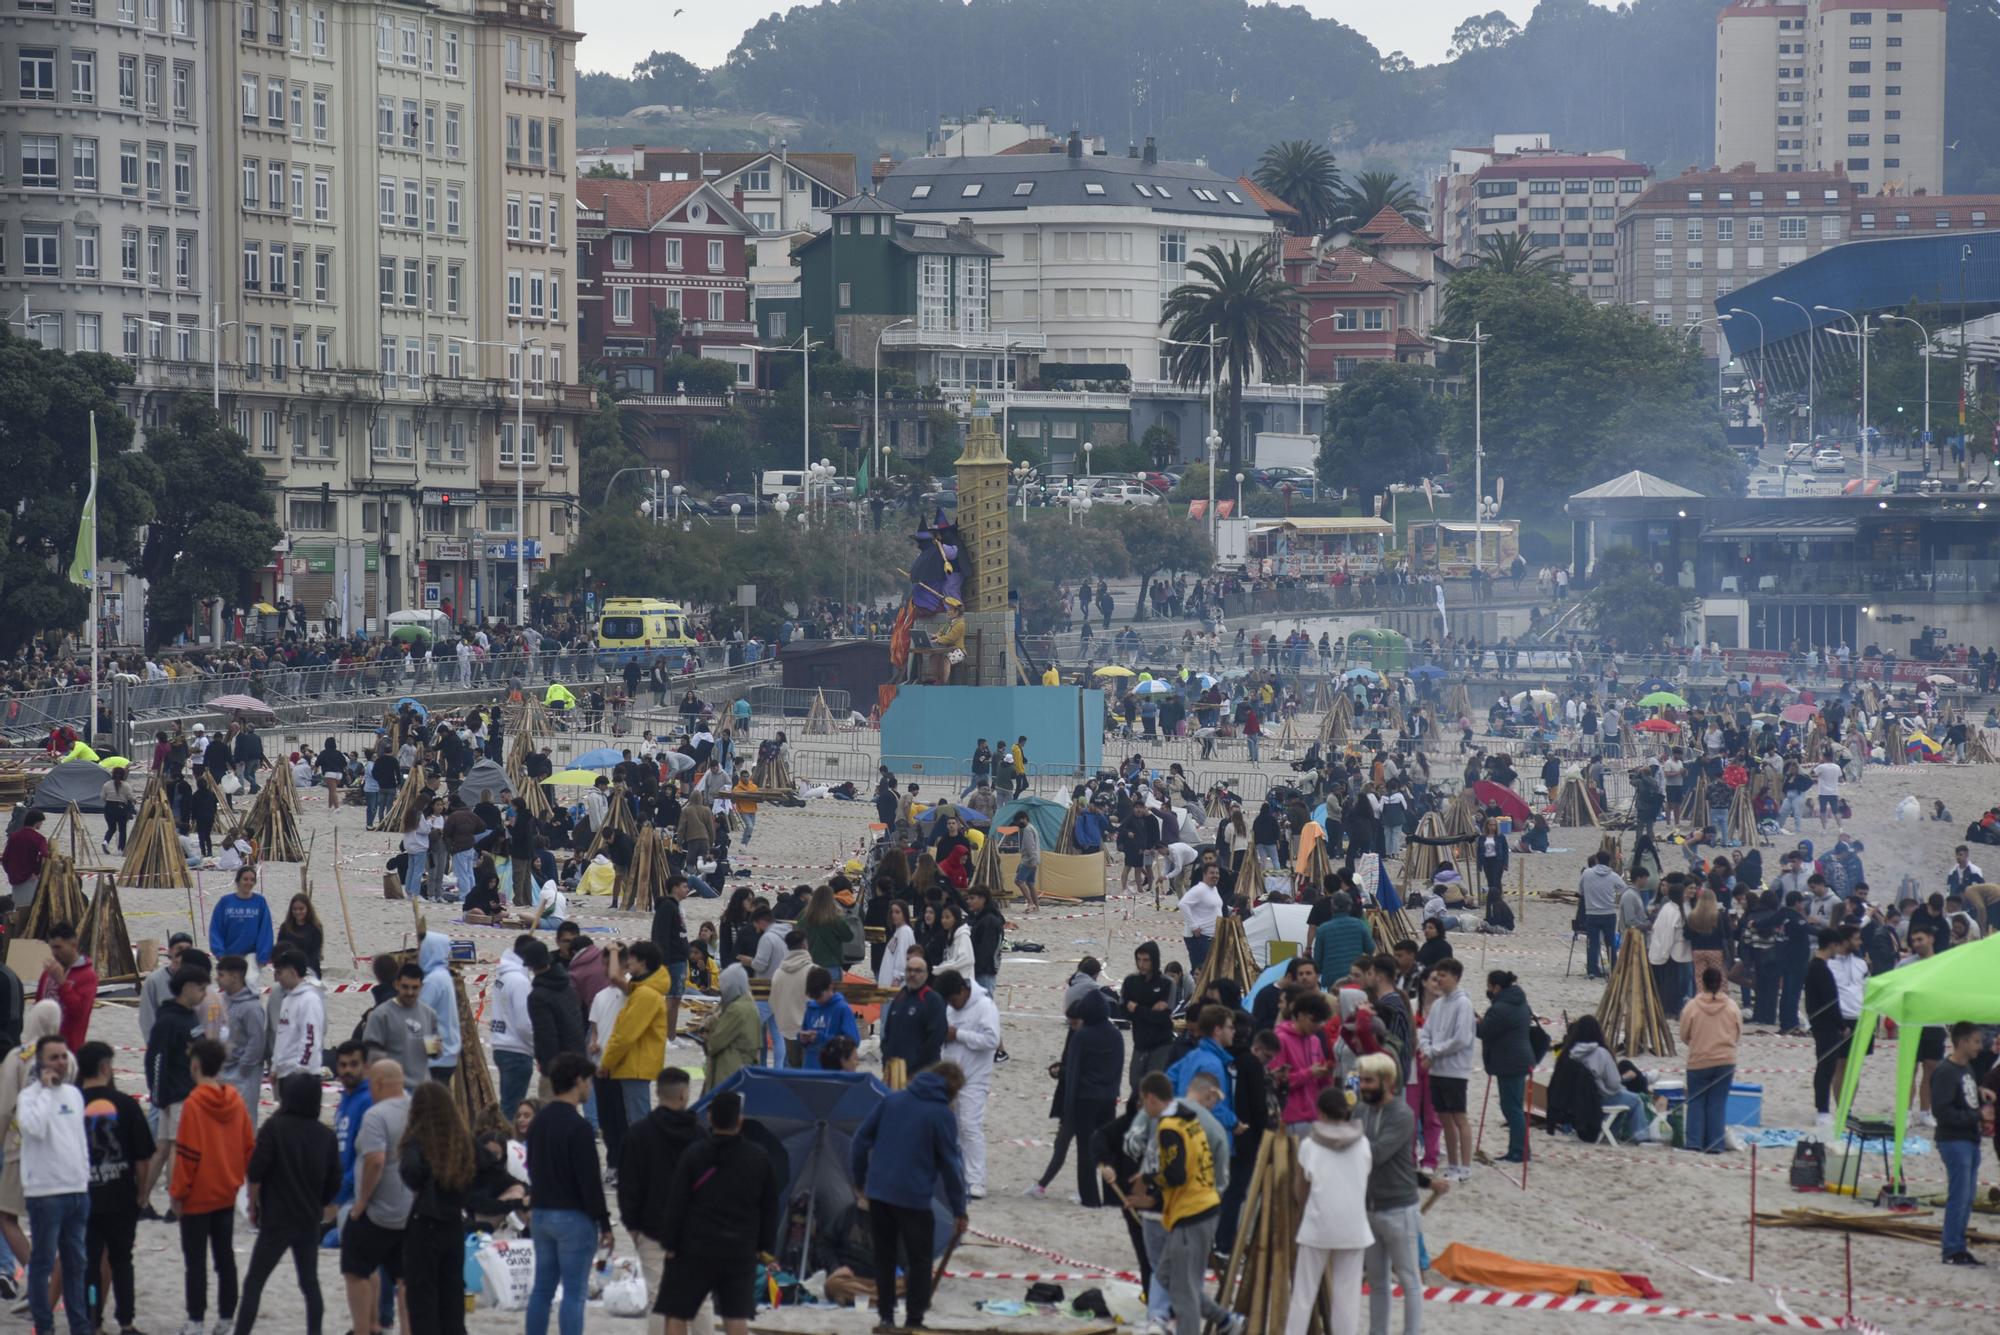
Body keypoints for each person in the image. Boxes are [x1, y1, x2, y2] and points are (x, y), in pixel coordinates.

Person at [850, 1061, 970, 1335]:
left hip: (879, 1193)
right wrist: (959, 1209)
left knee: (884, 1257)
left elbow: (860, 1140)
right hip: (913, 1198)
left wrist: (860, 1180)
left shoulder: (893, 1100)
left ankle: (886, 1318)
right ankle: (914, 1319)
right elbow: (951, 1166)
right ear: (952, 1089)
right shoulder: (941, 1114)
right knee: (919, 1260)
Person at [656, 1088, 782, 1335]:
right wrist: (764, 1247)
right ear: (740, 1120)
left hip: (695, 1246)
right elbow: (770, 1206)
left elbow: (677, 1202)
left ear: (711, 1119)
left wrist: (670, 1242)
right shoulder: (758, 1158)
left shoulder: (695, 1154)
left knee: (677, 1312)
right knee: (735, 1316)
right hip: (739, 1247)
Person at [1131, 1069, 1243, 1335]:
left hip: (1193, 1213)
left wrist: (1147, 1181)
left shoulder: (1169, 1127)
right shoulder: (1188, 1119)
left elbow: (1175, 1174)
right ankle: (1227, 1321)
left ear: (1150, 1099)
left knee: (1184, 1296)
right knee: (1167, 1277)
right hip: (1201, 1207)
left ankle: (1216, 1324)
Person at [235, 1072, 341, 1335]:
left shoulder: (274, 1128)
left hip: (276, 1219)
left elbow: (256, 1172)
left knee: (255, 1282)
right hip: (308, 1219)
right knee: (309, 1284)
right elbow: (334, 1179)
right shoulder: (324, 1136)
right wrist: (322, 1203)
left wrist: (252, 1206)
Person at [171, 1037, 257, 1335]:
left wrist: (177, 1194)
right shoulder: (234, 1100)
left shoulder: (194, 1104)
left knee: (195, 1263)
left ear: (195, 1065)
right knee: (225, 1260)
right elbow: (248, 1147)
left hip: (197, 1197)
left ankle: (195, 1321)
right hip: (226, 1193)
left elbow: (187, 1154)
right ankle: (225, 1320)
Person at [526, 1053, 614, 1335]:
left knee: (542, 1290)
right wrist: (604, 1223)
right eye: (588, 1081)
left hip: (541, 1214)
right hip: (573, 1218)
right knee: (574, 1294)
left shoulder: (538, 1123)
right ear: (578, 1082)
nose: (590, 1087)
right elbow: (589, 1182)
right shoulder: (579, 1128)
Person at [619, 1069, 704, 1335]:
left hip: (651, 1225)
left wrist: (631, 1224)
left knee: (657, 1297)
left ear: (657, 1093)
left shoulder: (639, 1134)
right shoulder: (700, 1136)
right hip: (693, 1228)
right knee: (699, 1298)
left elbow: (628, 1185)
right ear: (684, 1094)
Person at [15, 1030, 88, 1335]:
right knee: (43, 1263)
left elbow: (79, 1141)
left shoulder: (73, 1093)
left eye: (63, 1056)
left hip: (76, 1191)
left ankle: (80, 1326)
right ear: (41, 1063)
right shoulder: (29, 1097)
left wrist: (84, 1179)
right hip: (45, 1193)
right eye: (53, 1058)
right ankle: (44, 1326)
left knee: (76, 1264)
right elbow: (33, 1130)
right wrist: (45, 1091)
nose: (59, 1063)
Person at [1286, 1085, 1373, 1335]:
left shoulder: (1310, 1145)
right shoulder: (1363, 1144)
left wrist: (1305, 1213)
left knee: (1302, 1295)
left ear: (1320, 1113)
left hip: (1318, 1224)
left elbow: (1300, 1189)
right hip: (1354, 1226)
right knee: (1347, 1300)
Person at [398, 1082, 475, 1335]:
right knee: (451, 1294)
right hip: (453, 1223)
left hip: (425, 1221)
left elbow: (410, 1173)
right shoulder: (461, 1141)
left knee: (422, 1298)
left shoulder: (416, 1141)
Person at [342, 1059, 412, 1335]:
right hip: (410, 1209)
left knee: (356, 1269)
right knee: (406, 1278)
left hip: (378, 1209)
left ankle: (365, 1328)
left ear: (379, 1083)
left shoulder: (377, 1115)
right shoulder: (416, 1108)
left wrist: (361, 1201)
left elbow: (375, 1161)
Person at [141, 963, 207, 1215]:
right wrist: (159, 1096)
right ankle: (173, 1205)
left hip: (185, 1092)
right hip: (176, 1094)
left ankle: (143, 1200)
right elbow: (155, 1059)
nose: (203, 994)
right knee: (175, 1148)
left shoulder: (190, 1016)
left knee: (165, 1147)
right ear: (186, 988)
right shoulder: (168, 1020)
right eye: (200, 988)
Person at [600, 940, 671, 1171]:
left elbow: (625, 1035)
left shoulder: (646, 995)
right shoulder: (642, 988)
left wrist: (607, 1062)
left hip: (636, 1066)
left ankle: (645, 1169)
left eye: (631, 958)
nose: (627, 962)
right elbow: (615, 977)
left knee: (638, 1122)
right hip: (634, 1065)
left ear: (643, 962)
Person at [938, 970, 1002, 1200]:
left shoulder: (984, 1006)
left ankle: (976, 1181)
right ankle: (957, 1177)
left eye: (953, 1000)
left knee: (970, 1127)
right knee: (951, 1129)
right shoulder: (949, 1008)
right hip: (950, 1077)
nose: (952, 1005)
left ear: (963, 991)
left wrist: (959, 1034)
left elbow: (993, 1040)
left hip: (975, 1078)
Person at [1933, 1021, 1987, 1267]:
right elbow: (1942, 1112)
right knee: (1959, 1196)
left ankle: (1959, 1245)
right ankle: (1952, 1249)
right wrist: (1977, 1116)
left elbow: (1965, 1096)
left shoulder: (1966, 1069)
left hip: (1969, 1139)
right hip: (1954, 1141)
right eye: (1976, 1041)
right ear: (1962, 1042)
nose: (1980, 1046)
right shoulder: (1946, 1071)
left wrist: (1981, 1093)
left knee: (1967, 1197)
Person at [1418, 960, 1476, 1180]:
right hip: (1437, 1071)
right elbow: (1426, 1032)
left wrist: (1433, 1052)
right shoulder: (1439, 1004)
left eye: (1443, 975)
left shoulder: (1464, 1004)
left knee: (1459, 1117)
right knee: (1444, 1119)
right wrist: (1426, 1049)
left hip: (1455, 1070)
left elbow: (1461, 1039)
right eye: (1437, 975)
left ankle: (1465, 1167)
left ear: (1455, 977)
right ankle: (1452, 1165)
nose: (1439, 980)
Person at [1679, 966, 1743, 1153]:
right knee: (1717, 1102)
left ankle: (1694, 1142)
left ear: (1702, 982)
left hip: (1699, 1060)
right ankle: (1715, 1143)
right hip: (1725, 1061)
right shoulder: (1732, 1006)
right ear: (1721, 982)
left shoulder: (1692, 1007)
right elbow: (1737, 1033)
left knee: (1696, 1101)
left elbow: (1684, 1035)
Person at [1477, 970, 1534, 1164]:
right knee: (1515, 1107)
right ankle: (1519, 1149)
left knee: (1511, 1109)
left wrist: (1473, 1021)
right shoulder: (1520, 1003)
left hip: (1509, 1061)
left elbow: (1484, 1031)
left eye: (1489, 986)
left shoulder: (1501, 1007)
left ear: (1497, 987)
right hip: (1519, 1059)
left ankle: (1520, 1151)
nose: (1488, 990)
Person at [524, 939, 586, 1097]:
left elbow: (546, 1035)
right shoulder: (567, 985)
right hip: (576, 1060)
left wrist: (547, 1067)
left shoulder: (538, 996)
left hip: (555, 1068)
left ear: (530, 966)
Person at [363, 962, 440, 1085]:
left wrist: (437, 1049)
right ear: (396, 985)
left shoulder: (429, 1014)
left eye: (415, 988)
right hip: (393, 1088)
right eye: (405, 987)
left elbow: (433, 1053)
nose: (410, 992)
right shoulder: (381, 1014)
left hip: (422, 1089)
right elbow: (370, 1052)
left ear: (421, 987)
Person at [1273, 991, 1338, 1134]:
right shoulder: (1280, 1039)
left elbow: (1323, 1079)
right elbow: (1277, 1080)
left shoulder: (1314, 1040)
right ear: (1300, 1015)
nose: (1318, 1025)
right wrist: (1309, 1073)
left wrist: (1326, 1073)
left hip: (1315, 1116)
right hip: (1290, 1117)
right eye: (1314, 1020)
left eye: (1321, 1021)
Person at [1804, 927, 1851, 1125]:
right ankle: (1822, 1110)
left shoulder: (1815, 966)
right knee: (1826, 1067)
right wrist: (1841, 1025)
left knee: (1826, 1066)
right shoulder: (1820, 969)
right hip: (1826, 1026)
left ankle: (1822, 1108)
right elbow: (1830, 1001)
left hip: (1820, 1024)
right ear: (1832, 945)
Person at [217, 954, 268, 1127]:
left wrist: (243, 1069)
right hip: (224, 1070)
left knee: (243, 1122)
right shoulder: (223, 1001)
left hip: (244, 1074)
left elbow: (257, 1042)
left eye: (221, 975)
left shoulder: (252, 1007)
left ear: (235, 977)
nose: (217, 979)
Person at [489, 937, 538, 1114]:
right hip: (516, 1049)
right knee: (512, 1108)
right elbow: (525, 1023)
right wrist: (537, 1048)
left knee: (508, 1103)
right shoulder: (520, 981)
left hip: (500, 1044)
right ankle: (507, 1141)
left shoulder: (503, 975)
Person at [880, 949, 948, 1075]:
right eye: (909, 970)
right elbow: (888, 1031)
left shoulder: (932, 1000)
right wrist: (886, 1057)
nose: (912, 974)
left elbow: (935, 1039)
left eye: (917, 971)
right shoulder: (900, 997)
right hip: (895, 1070)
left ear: (926, 974)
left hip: (921, 1073)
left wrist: (915, 1063)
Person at [33, 923, 97, 1051]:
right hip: (42, 1045)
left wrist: (62, 983)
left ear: (73, 944)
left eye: (58, 948)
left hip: (68, 1049)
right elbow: (38, 1006)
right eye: (52, 948)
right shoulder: (48, 973)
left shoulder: (87, 975)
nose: (54, 953)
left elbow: (78, 1013)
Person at [1122, 941, 1177, 1089]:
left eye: (1146, 960)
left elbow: (1163, 1017)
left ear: (1154, 960)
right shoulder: (1130, 981)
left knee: (1154, 1087)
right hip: (1139, 1042)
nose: (1141, 964)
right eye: (1139, 959)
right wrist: (1149, 1011)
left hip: (1161, 1043)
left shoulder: (1167, 983)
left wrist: (1138, 1009)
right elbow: (1124, 1012)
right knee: (1135, 1084)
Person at [704, 964, 761, 1090]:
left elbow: (715, 1043)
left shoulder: (736, 1010)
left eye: (724, 984)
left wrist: (710, 1023)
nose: (722, 988)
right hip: (742, 1067)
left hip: (729, 1070)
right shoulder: (749, 1005)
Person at [650, 873, 692, 1041]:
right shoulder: (667, 907)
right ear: (675, 888)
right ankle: (665, 1036)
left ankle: (672, 1036)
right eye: (684, 887)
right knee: (670, 999)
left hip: (680, 959)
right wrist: (663, 962)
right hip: (671, 960)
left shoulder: (677, 907)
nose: (687, 890)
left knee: (676, 999)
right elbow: (660, 936)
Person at [209, 866, 276, 972]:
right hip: (229, 955)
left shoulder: (260, 902)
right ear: (238, 881)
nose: (249, 882)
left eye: (252, 880)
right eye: (245, 879)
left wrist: (263, 956)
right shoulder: (225, 902)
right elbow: (216, 928)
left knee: (249, 982)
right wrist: (219, 953)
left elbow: (265, 930)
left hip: (252, 956)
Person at [417, 931, 462, 1085]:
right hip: (448, 1051)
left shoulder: (433, 980)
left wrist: (429, 1053)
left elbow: (421, 1016)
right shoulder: (443, 975)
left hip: (438, 1056)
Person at [1577, 854, 1624, 980]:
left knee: (1593, 943)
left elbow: (1580, 890)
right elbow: (1623, 888)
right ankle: (1614, 969)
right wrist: (1613, 894)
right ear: (1609, 861)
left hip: (1592, 913)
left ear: (1597, 860)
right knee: (1610, 943)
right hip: (1609, 912)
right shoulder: (1613, 875)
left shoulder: (1587, 873)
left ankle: (1592, 970)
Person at [1312, 893, 1375, 986]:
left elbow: (1317, 959)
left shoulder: (1323, 929)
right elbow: (1370, 949)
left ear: (1332, 907)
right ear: (1349, 907)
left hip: (1331, 978)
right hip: (1354, 977)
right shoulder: (1359, 925)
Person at [1179, 862, 1225, 974]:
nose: (1215, 876)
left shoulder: (1214, 889)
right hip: (1200, 938)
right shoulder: (1200, 889)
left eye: (1217, 873)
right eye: (1212, 873)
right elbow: (1183, 904)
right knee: (1200, 970)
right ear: (1204, 874)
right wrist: (1193, 927)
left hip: (1211, 936)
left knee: (1210, 970)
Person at [2, 808, 49, 914]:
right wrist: (37, 871)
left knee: (16, 906)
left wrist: (10, 871)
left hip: (15, 877)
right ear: (36, 822)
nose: (41, 825)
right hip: (31, 878)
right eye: (41, 822)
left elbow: (5, 858)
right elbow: (44, 855)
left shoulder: (14, 837)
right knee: (29, 908)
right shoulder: (39, 838)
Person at [276, 894, 326, 977]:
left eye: (301, 909)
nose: (298, 912)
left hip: (310, 970)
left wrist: (302, 969)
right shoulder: (285, 927)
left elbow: (315, 953)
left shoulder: (316, 928)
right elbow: (280, 950)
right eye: (294, 909)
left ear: (308, 909)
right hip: (289, 971)